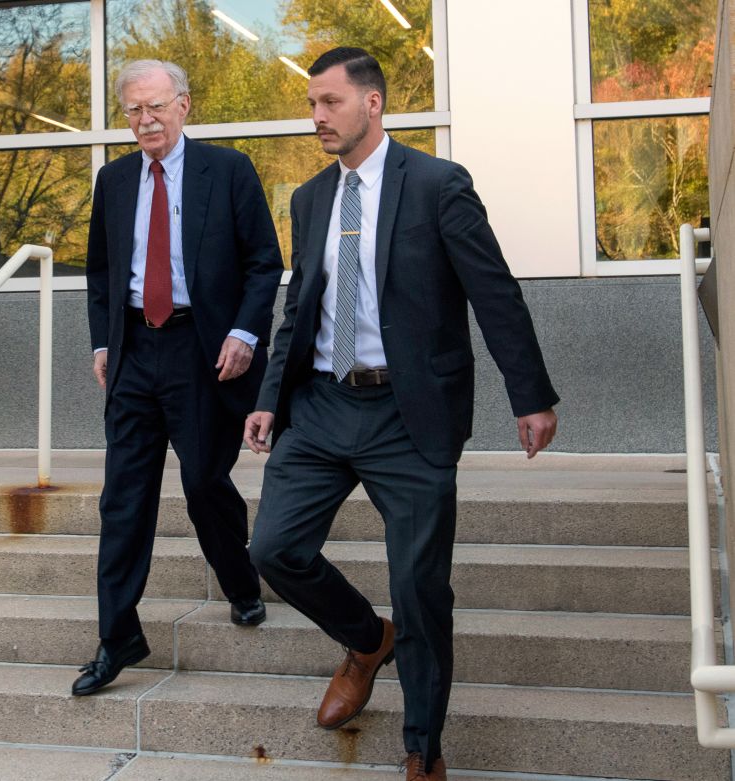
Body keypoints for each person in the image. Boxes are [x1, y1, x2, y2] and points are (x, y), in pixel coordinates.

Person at [243, 47, 559, 780]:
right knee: (272, 550)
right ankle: (365, 638)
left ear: (372, 103)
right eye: (311, 104)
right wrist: (267, 399)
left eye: (328, 102)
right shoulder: (311, 197)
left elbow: (493, 291)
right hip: (319, 406)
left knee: (419, 588)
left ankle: (423, 748)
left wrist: (530, 394)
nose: (316, 116)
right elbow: (301, 308)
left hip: (408, 412)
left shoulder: (437, 185)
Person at [75, 59, 284, 697]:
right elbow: (102, 272)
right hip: (136, 350)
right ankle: (118, 637)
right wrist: (105, 340)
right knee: (123, 498)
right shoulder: (112, 181)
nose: (145, 121)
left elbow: (264, 263)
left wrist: (246, 334)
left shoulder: (229, 171)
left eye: (156, 107)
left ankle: (241, 584)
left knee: (202, 483)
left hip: (204, 350)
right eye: (133, 110)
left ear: (184, 105)